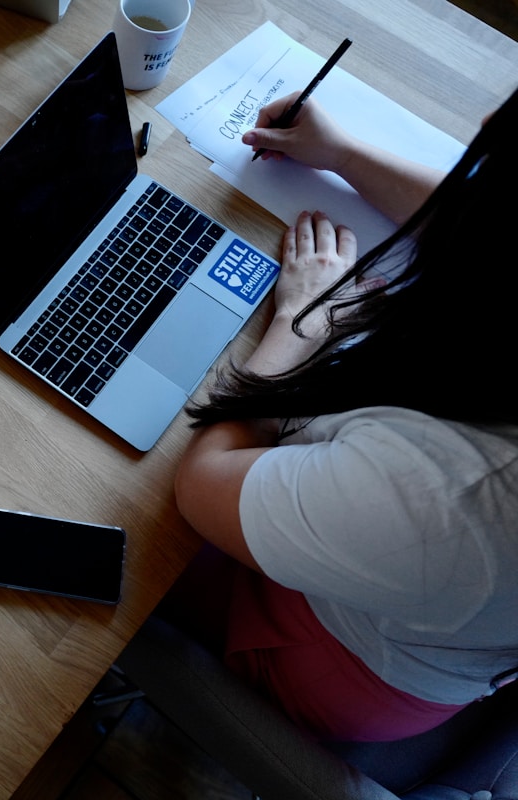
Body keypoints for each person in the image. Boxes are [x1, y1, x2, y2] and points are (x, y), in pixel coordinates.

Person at [168, 88, 518, 742]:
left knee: (114, 513)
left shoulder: (454, 498)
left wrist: (306, 319)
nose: (483, 121)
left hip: (335, 656)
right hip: (436, 613)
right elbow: (489, 223)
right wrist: (344, 155)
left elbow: (201, 481)